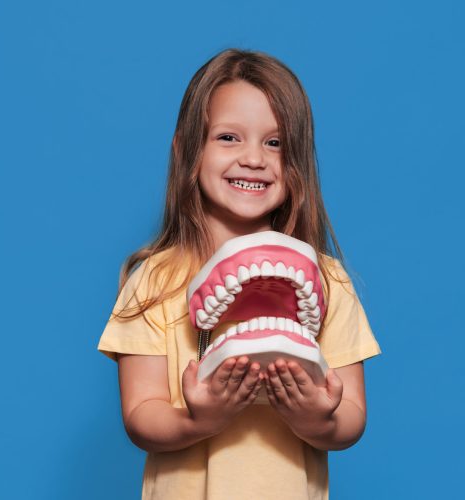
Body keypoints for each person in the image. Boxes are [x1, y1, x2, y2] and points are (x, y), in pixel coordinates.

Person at [98, 48, 382, 500]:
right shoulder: (153, 280)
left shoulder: (328, 282)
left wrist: (318, 419)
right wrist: (197, 421)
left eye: (275, 142)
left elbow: (352, 416)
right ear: (186, 149)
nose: (254, 158)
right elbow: (140, 413)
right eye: (229, 138)